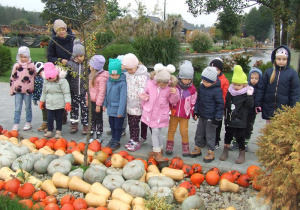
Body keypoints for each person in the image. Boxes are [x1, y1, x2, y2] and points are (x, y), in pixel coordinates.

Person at [140, 63, 180, 161]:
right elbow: (146, 92)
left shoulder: (169, 88)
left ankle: (157, 151)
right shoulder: (150, 83)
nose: (162, 86)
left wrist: (175, 94)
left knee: (156, 132)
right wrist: (143, 99)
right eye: (160, 83)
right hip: (150, 112)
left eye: (164, 84)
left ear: (168, 82)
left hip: (161, 114)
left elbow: (173, 101)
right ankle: (158, 150)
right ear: (156, 80)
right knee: (156, 132)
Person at [256, 45, 300, 124]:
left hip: (284, 110)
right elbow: (261, 89)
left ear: (288, 59)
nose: (281, 61)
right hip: (269, 108)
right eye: (279, 59)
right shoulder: (268, 72)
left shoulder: (292, 74)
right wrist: (258, 103)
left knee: (281, 132)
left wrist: (293, 108)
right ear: (275, 59)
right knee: (269, 131)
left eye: (284, 59)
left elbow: (295, 92)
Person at [219, 65, 254, 164]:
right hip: (230, 118)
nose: (236, 87)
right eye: (234, 84)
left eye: (239, 85)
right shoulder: (230, 92)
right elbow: (227, 103)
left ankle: (242, 152)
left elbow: (249, 105)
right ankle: (226, 150)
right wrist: (225, 114)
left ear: (244, 84)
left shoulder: (246, 93)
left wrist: (249, 96)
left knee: (240, 136)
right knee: (228, 135)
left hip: (240, 119)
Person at [190, 67, 224, 163]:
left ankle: (210, 151)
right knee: (199, 132)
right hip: (202, 115)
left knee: (210, 135)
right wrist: (196, 111)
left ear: (213, 81)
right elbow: (198, 100)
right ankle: (197, 147)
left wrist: (218, 118)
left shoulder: (217, 90)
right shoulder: (201, 87)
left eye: (207, 82)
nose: (204, 83)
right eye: (203, 81)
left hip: (211, 117)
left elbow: (220, 104)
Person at [47, 19, 76, 124]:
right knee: (62, 93)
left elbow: (78, 52)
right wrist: (59, 61)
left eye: (63, 29)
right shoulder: (53, 41)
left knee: (73, 93)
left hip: (73, 68)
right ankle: (62, 115)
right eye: (59, 30)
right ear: (56, 31)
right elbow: (50, 57)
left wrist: (74, 60)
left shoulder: (72, 39)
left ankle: (74, 117)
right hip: (60, 70)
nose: (62, 32)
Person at [166, 60, 197, 156]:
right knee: (171, 130)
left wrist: (194, 112)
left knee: (184, 131)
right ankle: (169, 146)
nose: (187, 81)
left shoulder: (192, 89)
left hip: (185, 114)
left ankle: (185, 147)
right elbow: (168, 98)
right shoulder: (174, 86)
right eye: (185, 79)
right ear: (180, 77)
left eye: (189, 79)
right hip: (174, 113)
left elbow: (193, 102)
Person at [230, 67, 262, 152]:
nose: (254, 80)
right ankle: (235, 141)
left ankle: (245, 142)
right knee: (237, 125)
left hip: (251, 112)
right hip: (242, 111)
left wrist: (258, 106)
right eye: (252, 78)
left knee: (248, 127)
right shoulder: (245, 88)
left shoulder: (260, 89)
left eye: (256, 78)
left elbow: (259, 99)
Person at [122, 53, 150, 152]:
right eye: (127, 69)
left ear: (136, 66)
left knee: (135, 123)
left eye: (131, 69)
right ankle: (132, 139)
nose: (129, 71)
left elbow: (143, 87)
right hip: (130, 103)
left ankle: (136, 141)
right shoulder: (128, 73)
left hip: (138, 104)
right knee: (131, 123)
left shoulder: (142, 75)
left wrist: (142, 96)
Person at [40, 63, 71, 139]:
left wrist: (67, 102)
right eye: (49, 79)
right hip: (50, 104)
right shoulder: (46, 81)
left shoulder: (62, 81)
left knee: (58, 118)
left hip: (59, 104)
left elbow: (66, 92)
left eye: (52, 78)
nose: (51, 80)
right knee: (49, 118)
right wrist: (42, 101)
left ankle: (58, 131)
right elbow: (44, 92)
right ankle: (50, 130)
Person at [10, 46, 36, 131]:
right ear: (19, 56)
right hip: (18, 91)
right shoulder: (16, 66)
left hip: (28, 91)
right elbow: (12, 78)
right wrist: (12, 89)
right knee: (17, 108)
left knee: (28, 107)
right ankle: (16, 123)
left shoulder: (32, 65)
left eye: (25, 57)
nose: (23, 59)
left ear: (28, 56)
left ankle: (28, 122)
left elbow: (35, 76)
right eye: (21, 57)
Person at [103, 58, 127, 150]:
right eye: (112, 74)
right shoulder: (109, 81)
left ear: (120, 73)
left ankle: (117, 140)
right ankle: (112, 138)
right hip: (110, 109)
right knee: (112, 125)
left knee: (118, 126)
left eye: (116, 74)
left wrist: (121, 112)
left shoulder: (122, 83)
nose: (114, 76)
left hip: (118, 110)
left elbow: (123, 99)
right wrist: (104, 104)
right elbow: (106, 93)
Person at [66, 40, 88, 135]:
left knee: (85, 109)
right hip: (74, 92)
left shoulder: (86, 65)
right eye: (77, 56)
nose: (79, 58)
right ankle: (74, 124)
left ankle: (86, 125)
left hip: (84, 92)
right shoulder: (70, 64)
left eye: (81, 56)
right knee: (74, 109)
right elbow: (67, 78)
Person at [87, 55, 109, 143]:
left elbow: (102, 92)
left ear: (94, 67)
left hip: (97, 102)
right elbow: (88, 89)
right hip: (91, 101)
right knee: (91, 118)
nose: (89, 66)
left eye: (90, 65)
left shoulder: (102, 78)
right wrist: (87, 100)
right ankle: (92, 133)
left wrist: (99, 104)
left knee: (98, 118)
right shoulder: (91, 75)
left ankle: (99, 134)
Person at [209, 58, 229, 149]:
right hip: (209, 106)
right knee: (208, 124)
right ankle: (207, 139)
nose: (214, 71)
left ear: (220, 70)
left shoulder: (224, 81)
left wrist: (222, 105)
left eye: (216, 69)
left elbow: (225, 94)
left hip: (218, 107)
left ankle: (216, 140)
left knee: (217, 124)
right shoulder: (208, 79)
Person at [32, 62, 48, 132]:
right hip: (41, 99)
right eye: (41, 71)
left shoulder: (48, 79)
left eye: (43, 71)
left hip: (48, 99)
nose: (42, 73)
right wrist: (35, 98)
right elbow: (35, 90)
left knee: (49, 112)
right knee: (43, 111)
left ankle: (50, 125)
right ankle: (45, 123)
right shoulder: (37, 79)